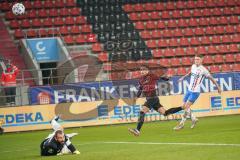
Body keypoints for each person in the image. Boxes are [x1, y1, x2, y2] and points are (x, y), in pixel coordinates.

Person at [164, 55, 222, 130]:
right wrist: (183, 77)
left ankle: (181, 124)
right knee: (184, 106)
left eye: (198, 59)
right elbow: (190, 73)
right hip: (189, 90)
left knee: (186, 107)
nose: (196, 61)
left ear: (201, 60)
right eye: (195, 59)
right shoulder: (193, 66)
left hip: (195, 92)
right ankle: (194, 119)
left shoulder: (204, 70)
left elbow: (212, 79)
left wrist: (218, 87)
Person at [128, 66, 171, 136]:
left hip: (152, 98)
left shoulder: (152, 76)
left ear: (148, 71)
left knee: (142, 111)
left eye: (144, 70)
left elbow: (161, 78)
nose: (142, 71)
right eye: (141, 70)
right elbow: (140, 89)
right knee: (165, 113)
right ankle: (181, 108)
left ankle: (137, 130)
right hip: (152, 99)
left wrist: (167, 78)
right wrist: (136, 97)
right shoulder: (141, 79)